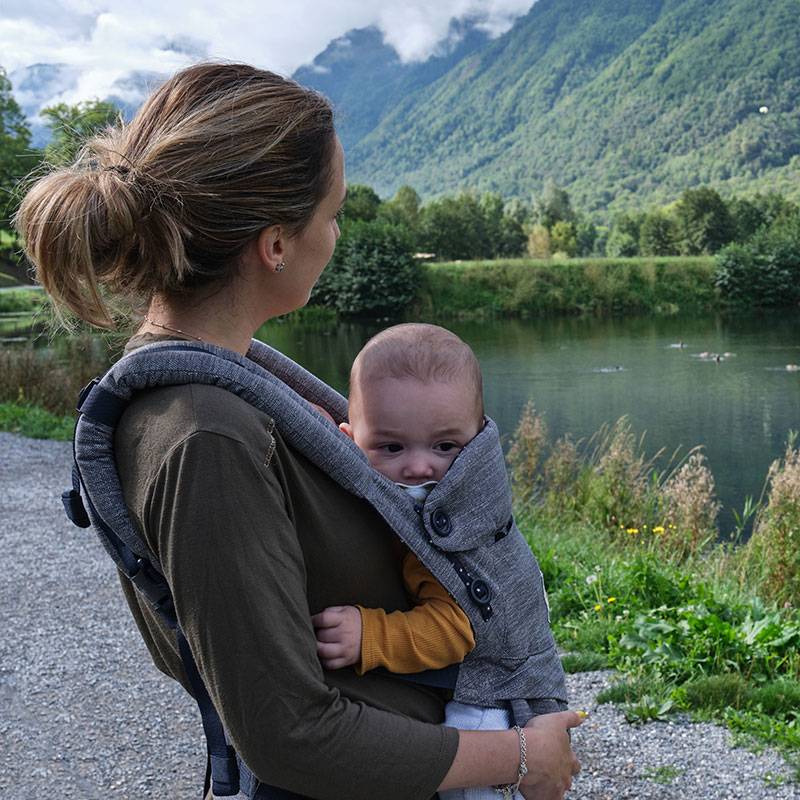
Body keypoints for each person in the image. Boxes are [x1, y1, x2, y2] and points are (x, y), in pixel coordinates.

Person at [15, 62, 582, 799]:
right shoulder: (205, 435)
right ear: (276, 243)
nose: (337, 233)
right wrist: (517, 759)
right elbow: (291, 735)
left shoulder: (235, 388)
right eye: (334, 212)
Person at [317, 322, 567, 800]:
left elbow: (454, 630)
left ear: (474, 442)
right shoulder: (411, 495)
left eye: (445, 447)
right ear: (348, 442)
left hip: (497, 696)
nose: (419, 467)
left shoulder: (443, 525)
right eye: (391, 447)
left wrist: (371, 635)